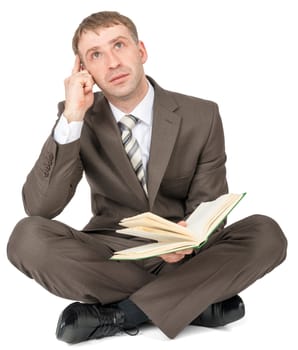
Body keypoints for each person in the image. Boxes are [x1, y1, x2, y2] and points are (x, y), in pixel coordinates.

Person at [7, 11, 287, 344]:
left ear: (141, 51)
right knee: (26, 238)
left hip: (186, 253)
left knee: (266, 233)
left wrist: (185, 241)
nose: (112, 62)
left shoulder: (202, 114)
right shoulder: (78, 115)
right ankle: (195, 304)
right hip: (112, 255)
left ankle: (124, 313)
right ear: (85, 71)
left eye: (119, 45)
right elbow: (40, 207)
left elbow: (209, 206)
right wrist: (72, 116)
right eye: (96, 55)